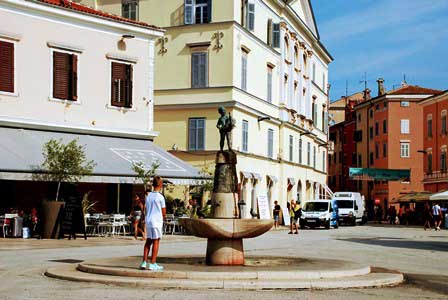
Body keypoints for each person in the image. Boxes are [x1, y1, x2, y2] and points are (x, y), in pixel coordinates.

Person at [140, 176, 166, 271]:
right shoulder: (160, 197)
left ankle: (144, 262)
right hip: (157, 221)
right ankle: (153, 263)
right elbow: (163, 212)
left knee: (148, 241)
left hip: (149, 220)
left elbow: (146, 208)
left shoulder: (148, 196)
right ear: (160, 184)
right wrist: (164, 217)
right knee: (156, 241)